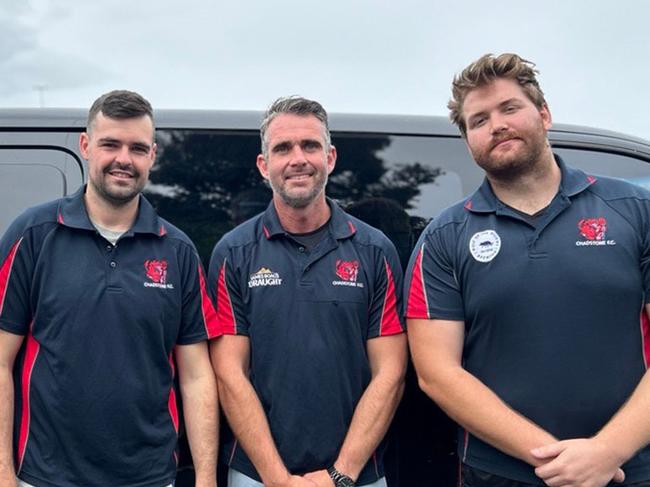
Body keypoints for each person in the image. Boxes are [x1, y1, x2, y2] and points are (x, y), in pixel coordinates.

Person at [405, 53, 650, 486]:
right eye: (478, 120)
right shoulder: (444, 237)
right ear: (468, 141)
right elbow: (437, 373)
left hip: (629, 468)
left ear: (544, 114)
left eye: (509, 108)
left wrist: (607, 450)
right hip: (501, 472)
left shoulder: (635, 209)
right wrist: (557, 461)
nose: (495, 124)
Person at [0, 90, 220, 487]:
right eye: (110, 144)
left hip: (150, 477)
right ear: (86, 146)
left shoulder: (178, 251)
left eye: (137, 148)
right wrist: (3, 475)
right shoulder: (32, 236)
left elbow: (196, 376)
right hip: (45, 477)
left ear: (152, 155)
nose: (124, 159)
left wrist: (205, 479)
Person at [209, 96, 407, 487]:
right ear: (265, 166)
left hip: (359, 475)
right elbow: (229, 374)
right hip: (257, 475)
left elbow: (391, 373)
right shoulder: (233, 253)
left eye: (310, 145)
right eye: (282, 148)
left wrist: (341, 474)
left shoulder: (374, 250)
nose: (297, 158)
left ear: (330, 157)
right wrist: (278, 479)